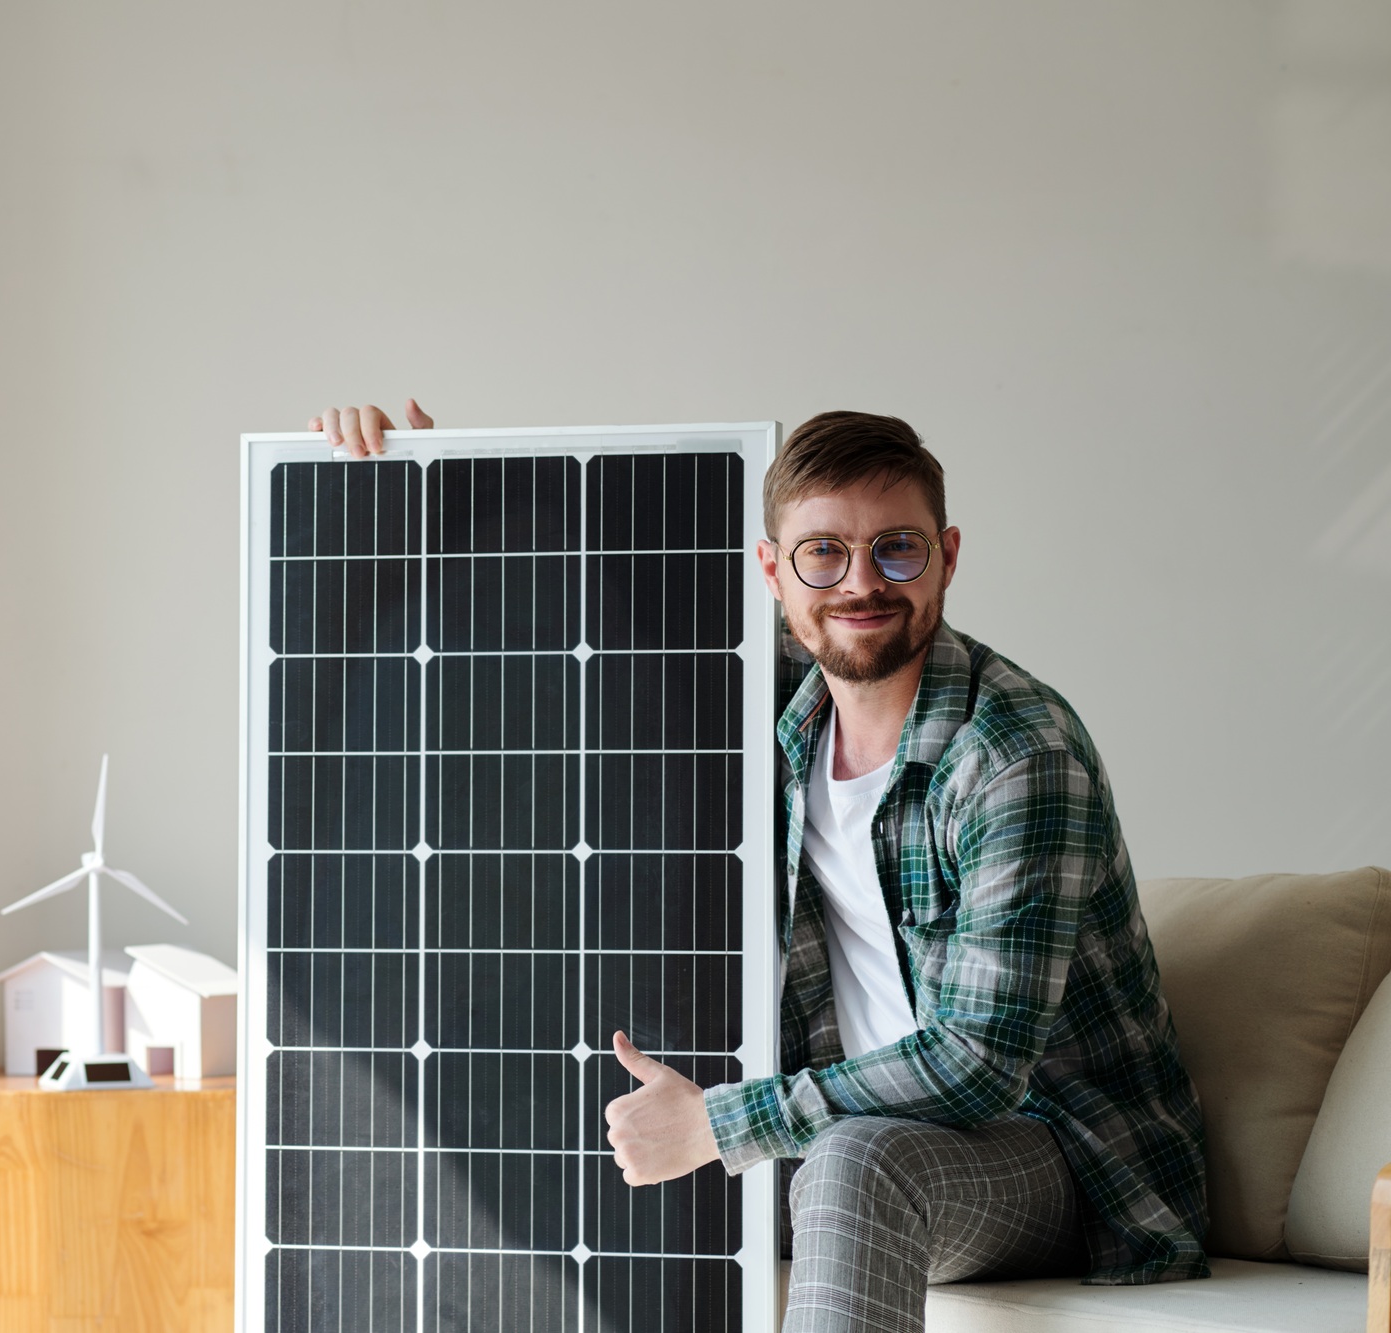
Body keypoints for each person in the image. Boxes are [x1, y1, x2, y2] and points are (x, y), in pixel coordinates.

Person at [311, 401, 1208, 1333]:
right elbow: (581, 635)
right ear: (773, 571)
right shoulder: (774, 702)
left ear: (947, 555)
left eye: (897, 549)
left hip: (1059, 1156)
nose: (861, 583)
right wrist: (438, 484)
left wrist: (721, 1122)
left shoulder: (1016, 755)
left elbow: (977, 1065)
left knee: (854, 1158)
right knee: (573, 1133)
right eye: (824, 553)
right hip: (849, 1130)